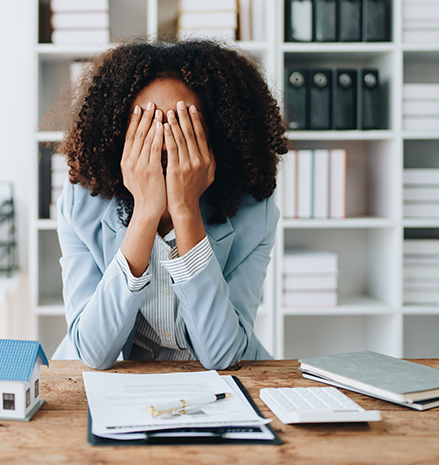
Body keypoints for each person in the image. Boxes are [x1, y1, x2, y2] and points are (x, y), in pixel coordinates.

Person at [49, 39, 289, 370]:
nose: (163, 141)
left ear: (216, 132)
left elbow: (222, 355)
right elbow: (94, 353)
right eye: (146, 123)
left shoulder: (254, 209)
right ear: (119, 130)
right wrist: (146, 212)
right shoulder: (81, 201)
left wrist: (186, 211)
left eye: (182, 124)